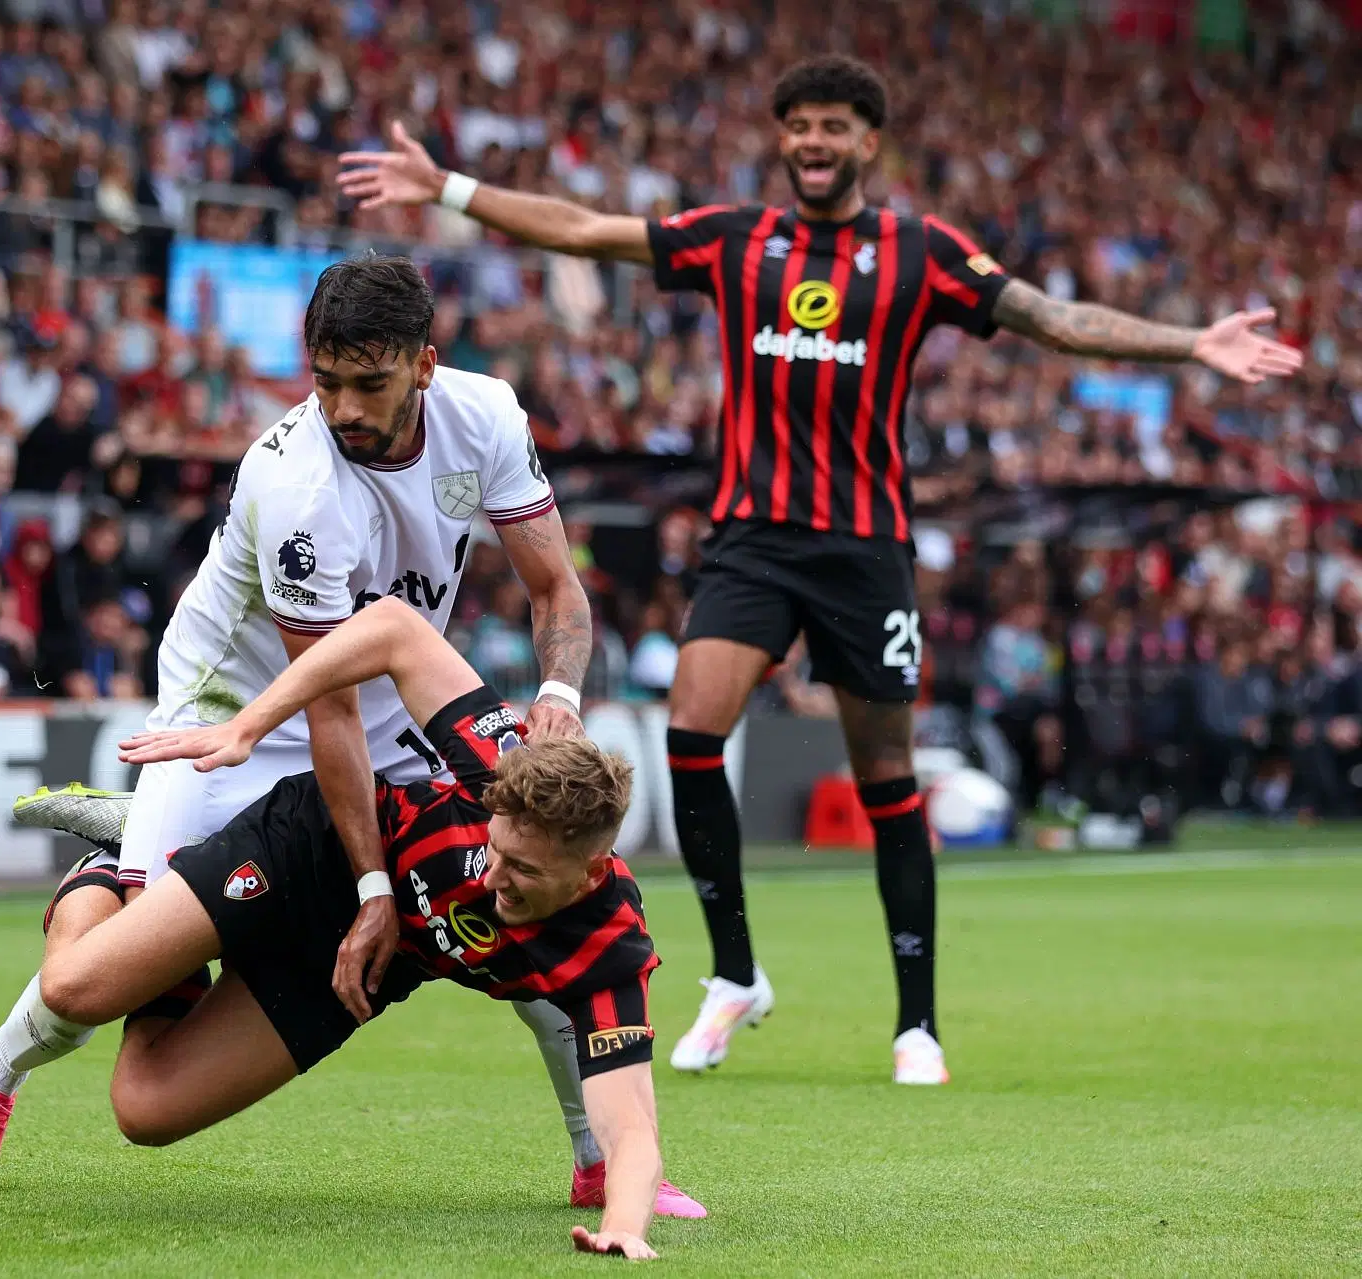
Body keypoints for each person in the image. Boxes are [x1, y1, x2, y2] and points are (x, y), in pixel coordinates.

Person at [338, 54, 1304, 1084]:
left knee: (887, 779)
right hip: (752, 538)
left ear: (867, 141)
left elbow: (1052, 319)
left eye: (833, 126)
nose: (811, 141)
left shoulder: (921, 251)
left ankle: (917, 1023)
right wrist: (444, 187)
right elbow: (583, 230)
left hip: (865, 551)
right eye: (797, 123)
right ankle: (736, 974)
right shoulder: (736, 239)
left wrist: (1192, 344)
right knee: (692, 733)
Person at [0, 254, 701, 1218]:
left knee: (532, 913)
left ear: (424, 364)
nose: (341, 409)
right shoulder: (295, 483)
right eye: (323, 381)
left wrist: (558, 696)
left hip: (388, 701)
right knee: (89, 989)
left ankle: (600, 1159)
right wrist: (375, 888)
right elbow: (323, 702)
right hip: (235, 714)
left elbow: (556, 589)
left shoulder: (489, 416)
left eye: (367, 384)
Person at [0, 597, 669, 1260]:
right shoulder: (498, 760)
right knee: (71, 989)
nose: (493, 877)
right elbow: (394, 625)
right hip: (305, 846)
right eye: (495, 849)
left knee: (143, 1109)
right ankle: (116, 867)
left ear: (587, 873)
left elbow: (633, 1129)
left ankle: (148, 865)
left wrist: (622, 1229)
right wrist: (248, 723)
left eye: (523, 872)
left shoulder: (607, 945)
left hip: (361, 967)